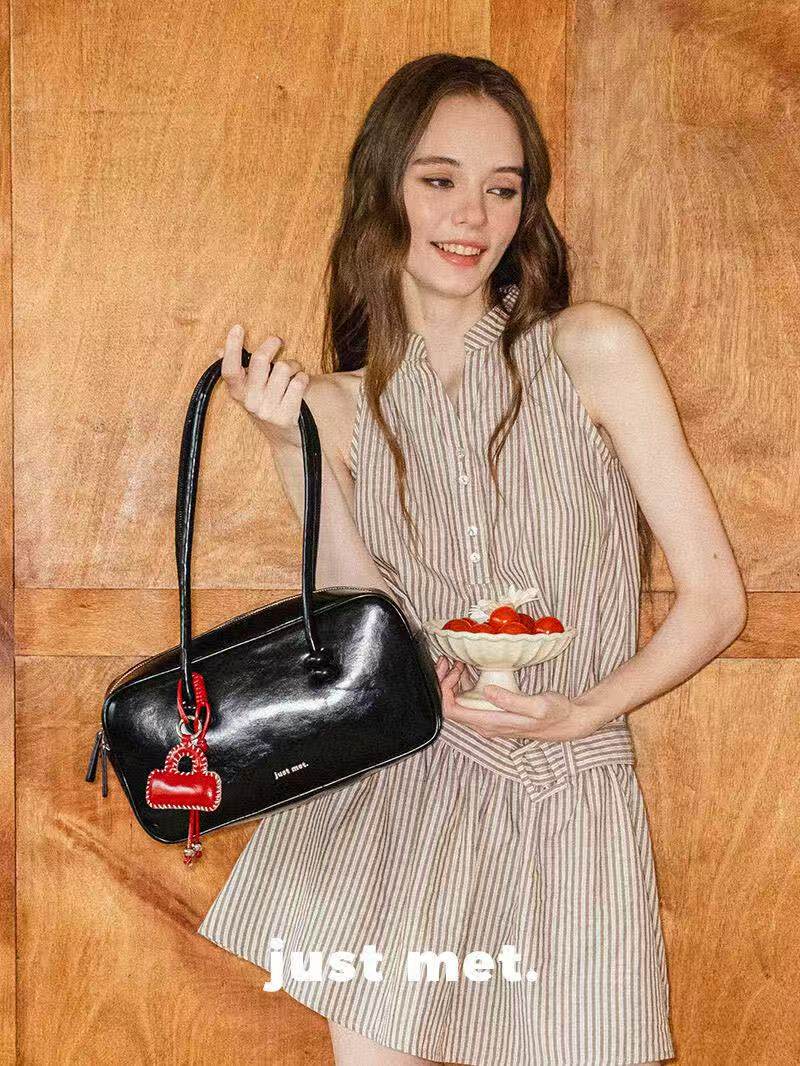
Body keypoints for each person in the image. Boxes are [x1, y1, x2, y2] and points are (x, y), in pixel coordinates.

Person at [197, 54, 747, 1066]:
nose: (472, 215)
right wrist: (285, 444)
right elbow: (362, 626)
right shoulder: (330, 407)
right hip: (403, 800)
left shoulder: (591, 350)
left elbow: (716, 601)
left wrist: (584, 710)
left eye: (502, 188)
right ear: (385, 189)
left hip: (570, 800)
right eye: (439, 179)